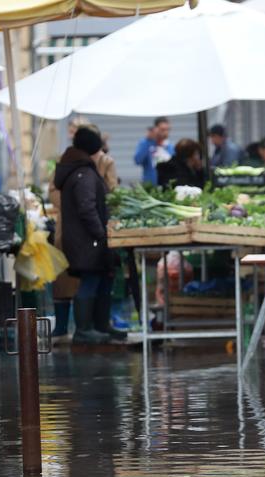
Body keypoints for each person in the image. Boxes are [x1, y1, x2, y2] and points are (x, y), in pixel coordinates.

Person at [55, 127, 124, 344]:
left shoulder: (78, 169)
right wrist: (101, 234)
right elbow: (87, 208)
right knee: (90, 280)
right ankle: (85, 330)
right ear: (92, 151)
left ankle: (100, 327)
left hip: (85, 238)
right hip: (87, 240)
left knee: (102, 278)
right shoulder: (83, 173)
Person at [133, 116, 172, 185]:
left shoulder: (170, 146)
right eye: (162, 130)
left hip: (167, 184)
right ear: (155, 129)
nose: (165, 133)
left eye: (167, 130)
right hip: (150, 185)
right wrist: (148, 141)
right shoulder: (146, 143)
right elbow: (137, 160)